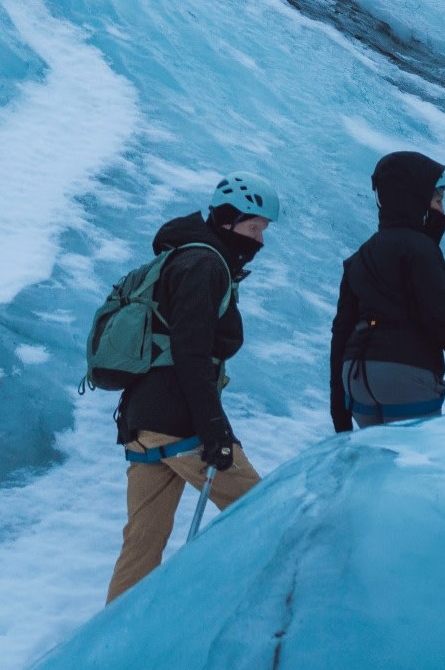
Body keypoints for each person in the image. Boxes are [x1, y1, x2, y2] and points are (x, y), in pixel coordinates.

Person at [107, 174, 279, 603]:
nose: (259, 239)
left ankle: (116, 646)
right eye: (253, 228)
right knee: (269, 514)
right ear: (227, 220)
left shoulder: (183, 256)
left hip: (143, 421)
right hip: (180, 423)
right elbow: (191, 355)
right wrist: (216, 431)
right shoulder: (203, 265)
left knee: (141, 548)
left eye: (263, 230)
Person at [329, 151, 445, 432]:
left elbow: (341, 332)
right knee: (412, 470)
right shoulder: (421, 250)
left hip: (356, 378)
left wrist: (340, 415)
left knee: (379, 468)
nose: (441, 211)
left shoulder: (360, 257)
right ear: (416, 202)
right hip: (406, 376)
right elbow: (440, 316)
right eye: (437, 201)